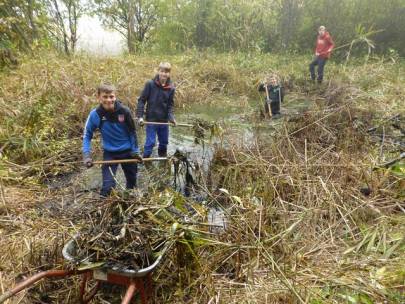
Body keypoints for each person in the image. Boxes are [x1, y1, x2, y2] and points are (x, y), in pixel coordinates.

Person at [82, 84, 142, 197]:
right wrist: (86, 155)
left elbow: (132, 133)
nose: (109, 100)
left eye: (111, 96)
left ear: (115, 96)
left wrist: (135, 152)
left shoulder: (125, 111)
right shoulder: (95, 115)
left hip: (128, 152)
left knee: (132, 185)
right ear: (98, 97)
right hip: (110, 154)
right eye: (105, 97)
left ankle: (129, 203)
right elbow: (87, 135)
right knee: (107, 189)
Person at [136, 62, 176, 158]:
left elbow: (170, 105)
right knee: (150, 143)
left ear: (169, 73)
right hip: (151, 120)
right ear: (158, 71)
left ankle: (163, 161)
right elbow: (141, 101)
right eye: (162, 71)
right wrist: (140, 117)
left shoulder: (171, 88)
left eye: (166, 72)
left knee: (164, 143)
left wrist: (171, 118)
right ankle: (145, 160)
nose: (164, 74)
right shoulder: (150, 84)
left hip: (164, 121)